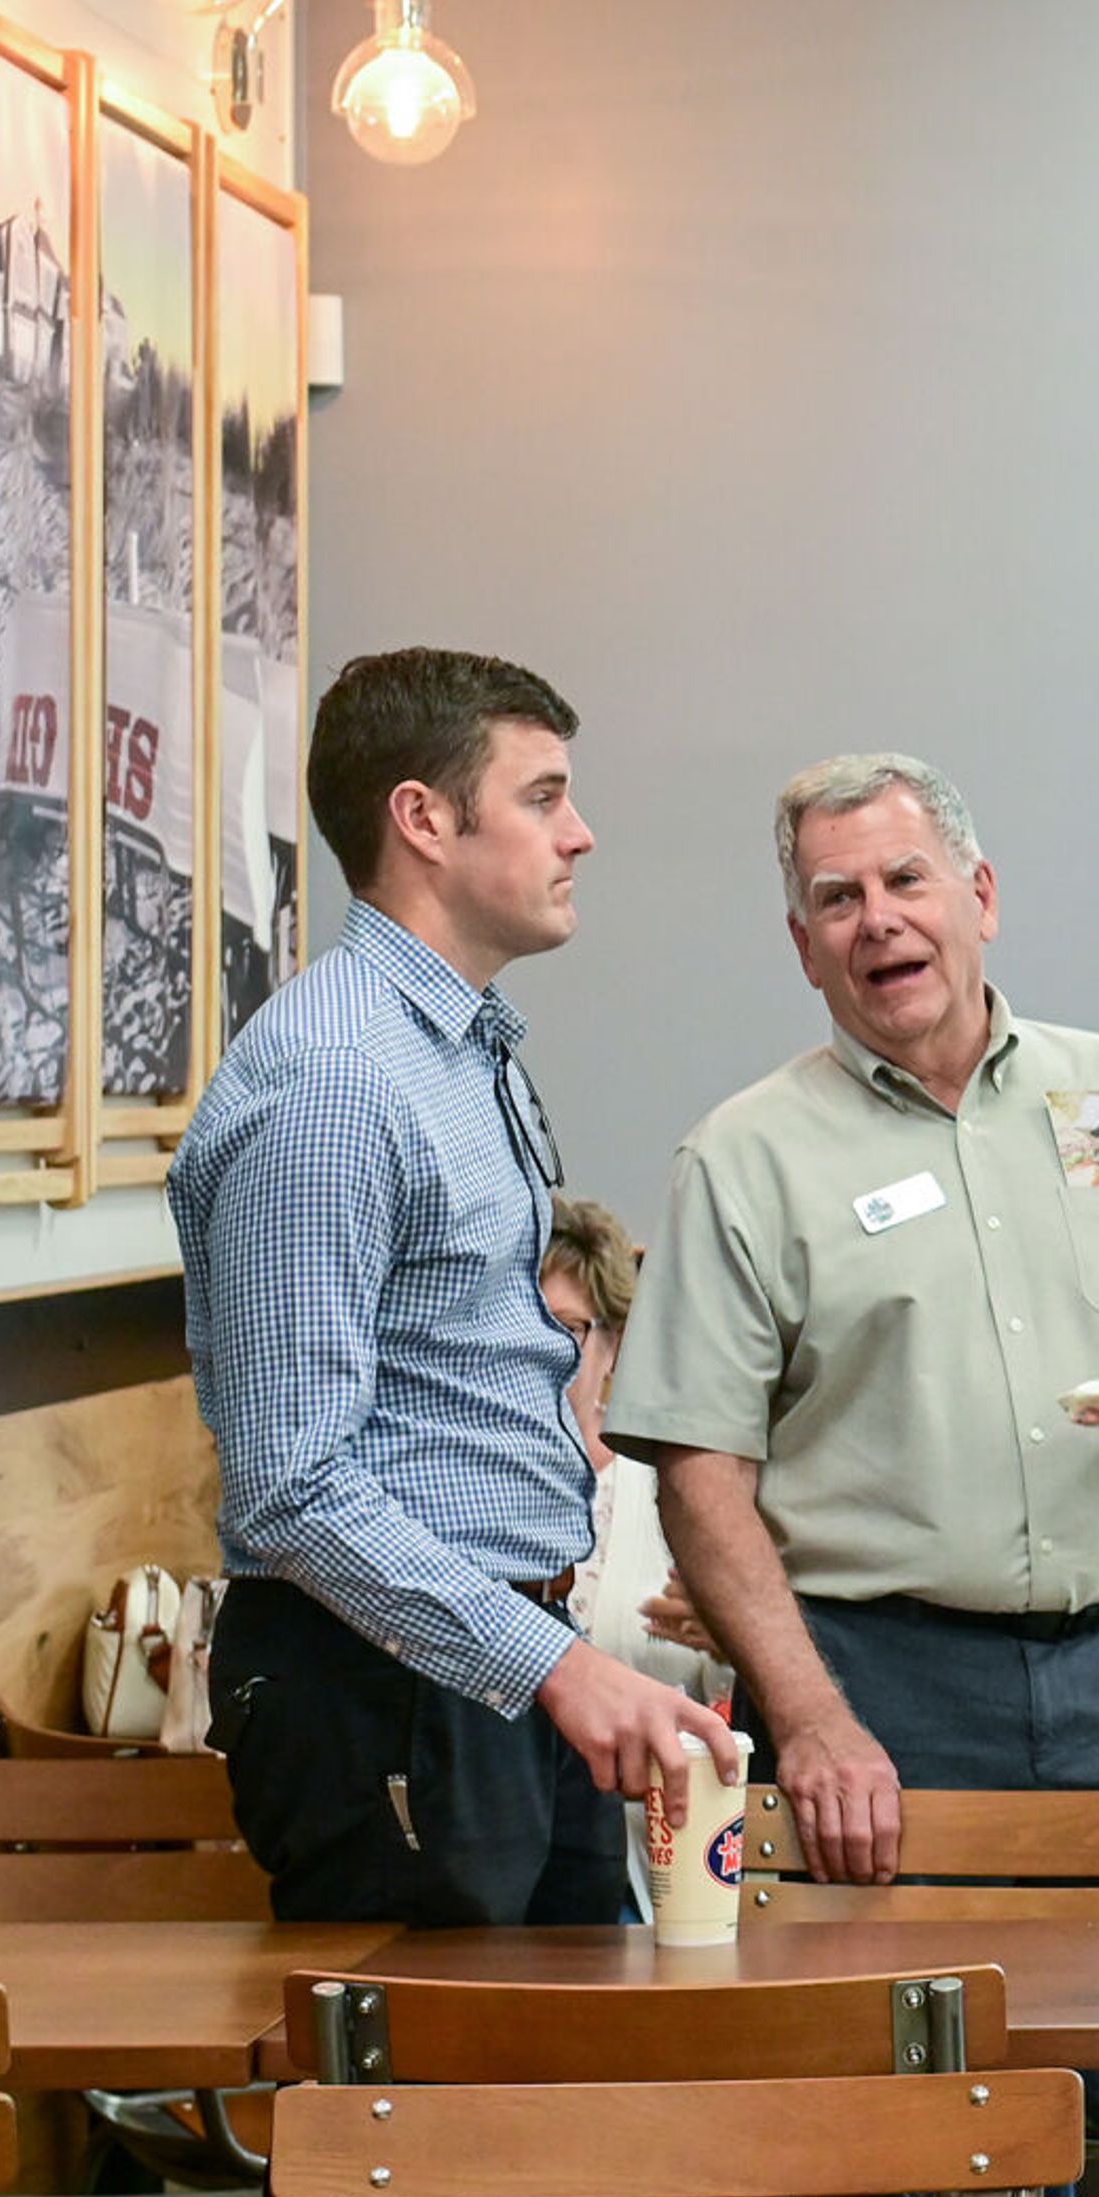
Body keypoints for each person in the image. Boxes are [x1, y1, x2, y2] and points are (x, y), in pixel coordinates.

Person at [608, 751, 1099, 2197]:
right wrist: (814, 1719)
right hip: (881, 1697)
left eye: (905, 880)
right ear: (802, 945)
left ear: (977, 896)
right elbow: (696, 1469)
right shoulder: (746, 1157)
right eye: (835, 897)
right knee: (880, 2122)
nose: (876, 919)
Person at [171, 649, 735, 1928]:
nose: (579, 834)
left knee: (569, 2097)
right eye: (542, 796)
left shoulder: (460, 1049)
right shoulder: (336, 1082)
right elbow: (291, 1482)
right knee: (439, 2117)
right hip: (389, 1688)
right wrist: (552, 1664)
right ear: (423, 819)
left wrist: (555, 1658)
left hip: (506, 1666)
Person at [539, 1196, 726, 1704]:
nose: (538, 1348)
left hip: (659, 1777)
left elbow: (727, 1682)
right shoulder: (459, 1482)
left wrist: (732, 1638)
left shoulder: (675, 1485)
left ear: (616, 1344)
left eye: (566, 1327)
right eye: (524, 1325)